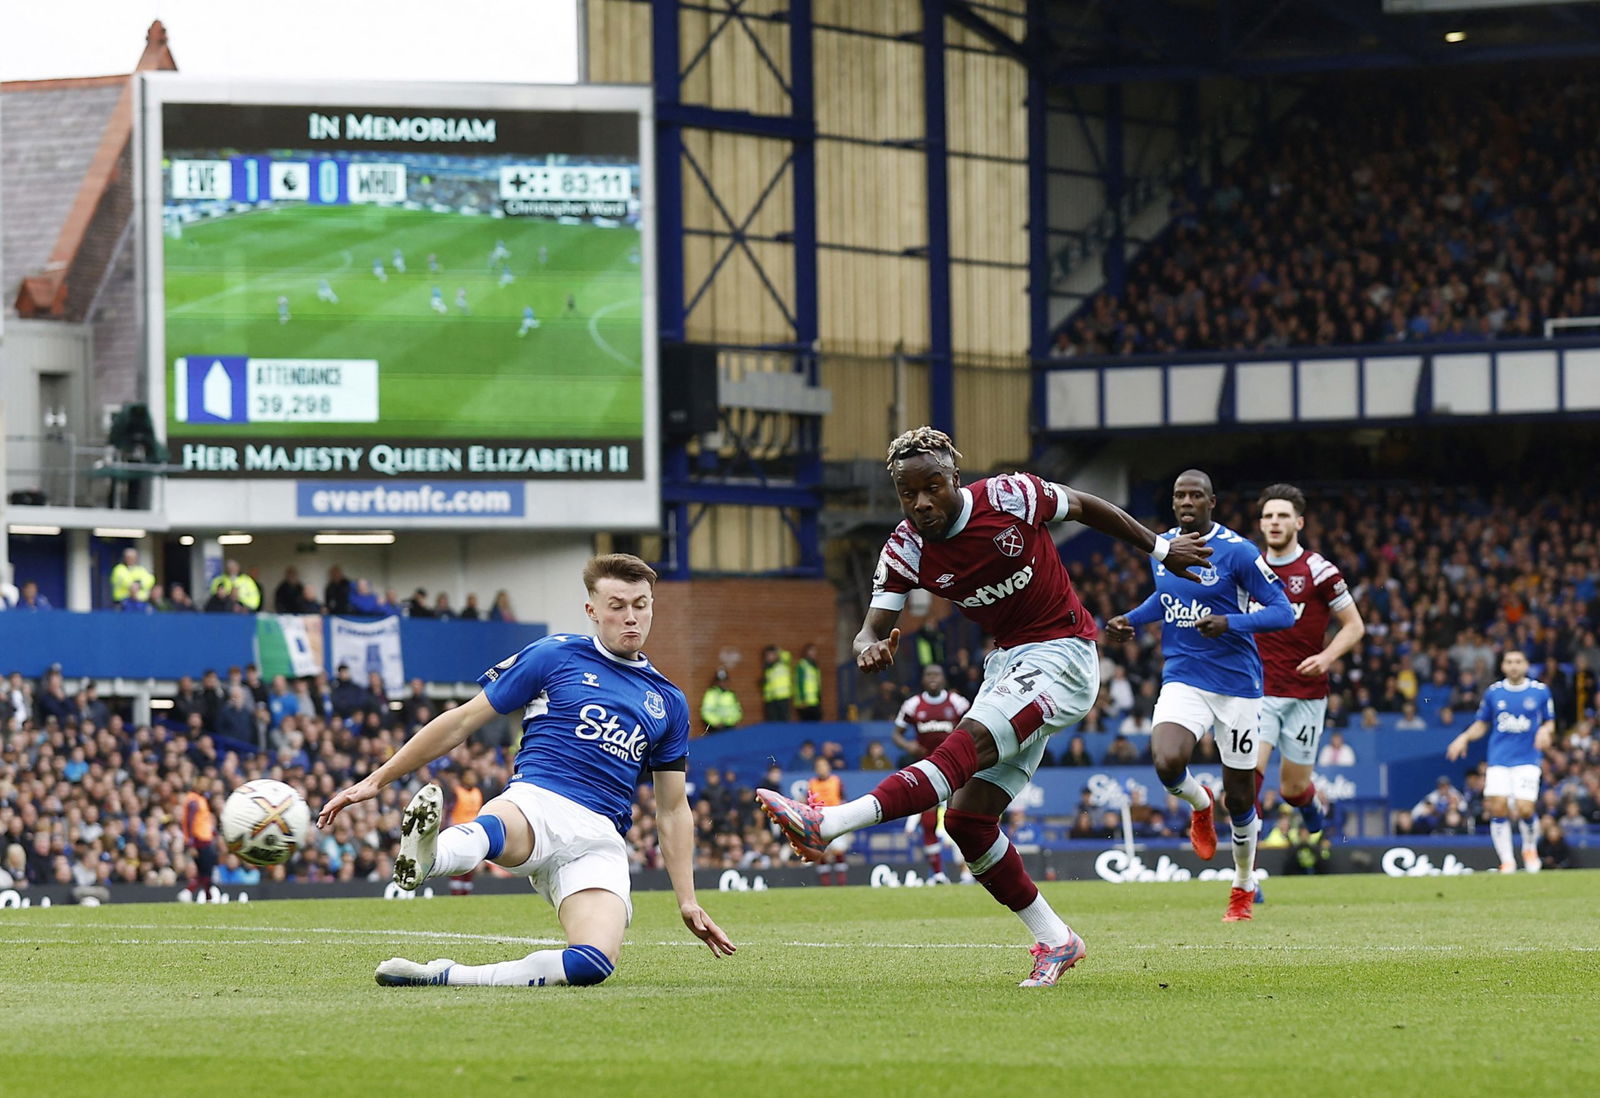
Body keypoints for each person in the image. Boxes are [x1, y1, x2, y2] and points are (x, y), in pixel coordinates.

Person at [756, 427, 1209, 985]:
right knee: (969, 822)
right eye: (908, 493)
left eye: (933, 487)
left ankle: (828, 823)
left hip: (1063, 656)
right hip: (1010, 666)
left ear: (955, 479)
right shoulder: (905, 547)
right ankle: (1057, 940)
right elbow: (872, 626)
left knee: (960, 750)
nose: (922, 502)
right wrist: (868, 646)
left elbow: (1087, 506)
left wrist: (1161, 548)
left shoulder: (1010, 497)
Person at [318, 553, 734, 987]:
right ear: (592, 611)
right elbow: (461, 721)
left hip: (600, 839)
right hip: (539, 801)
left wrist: (687, 900)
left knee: (592, 963)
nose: (631, 617)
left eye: (641, 604)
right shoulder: (554, 655)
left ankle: (446, 976)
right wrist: (375, 780)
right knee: (496, 826)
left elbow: (671, 809)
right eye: (617, 606)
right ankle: (431, 857)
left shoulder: (668, 701)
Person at [1104, 469, 1294, 923]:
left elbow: (1283, 611)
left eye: (1196, 495)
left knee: (1243, 799)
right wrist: (1131, 618)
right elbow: (1166, 599)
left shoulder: (1239, 552)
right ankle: (1200, 804)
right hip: (1184, 676)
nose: (1186, 501)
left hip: (1239, 688)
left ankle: (1243, 884)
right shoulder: (1162, 547)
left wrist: (1231, 623)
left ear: (1213, 502)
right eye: (1179, 495)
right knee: (1167, 761)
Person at [1253, 483, 1366, 838]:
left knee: (1292, 789)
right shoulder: (1249, 568)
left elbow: (1354, 626)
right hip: (1257, 692)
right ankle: (1246, 882)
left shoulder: (1319, 570)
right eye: (1268, 516)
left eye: (1282, 516)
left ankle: (1310, 802)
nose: (1274, 522)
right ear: (1261, 523)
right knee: (1245, 787)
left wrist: (1327, 656)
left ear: (1298, 523)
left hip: (1306, 694)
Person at [1446, 649, 1555, 873]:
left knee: (1525, 809)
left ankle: (1529, 848)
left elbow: (1550, 722)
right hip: (1499, 760)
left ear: (1526, 665)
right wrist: (1464, 736)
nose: (1514, 665)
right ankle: (1507, 861)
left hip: (1527, 759)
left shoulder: (1540, 691)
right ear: (1503, 666)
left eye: (1518, 661)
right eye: (1509, 662)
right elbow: (1482, 724)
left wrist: (1545, 730)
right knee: (1498, 808)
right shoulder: (1494, 693)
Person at [890, 663, 970, 883]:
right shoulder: (913, 704)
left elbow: (974, 728)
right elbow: (896, 734)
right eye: (928, 675)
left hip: (956, 769)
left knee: (960, 819)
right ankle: (937, 874)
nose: (933, 678)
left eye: (937, 674)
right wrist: (909, 747)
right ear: (923, 680)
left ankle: (967, 872)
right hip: (926, 770)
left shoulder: (958, 703)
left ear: (944, 679)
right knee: (927, 822)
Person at [806, 757, 848, 886]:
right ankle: (826, 885)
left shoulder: (836, 781)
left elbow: (843, 799)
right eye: (819, 766)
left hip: (836, 818)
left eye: (824, 765)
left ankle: (842, 883)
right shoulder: (812, 783)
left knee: (839, 850)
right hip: (819, 821)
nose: (821, 769)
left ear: (829, 767)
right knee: (821, 852)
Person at [180, 774, 218, 898]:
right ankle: (189, 891)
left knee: (205, 872)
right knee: (205, 871)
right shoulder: (193, 801)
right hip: (199, 840)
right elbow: (189, 823)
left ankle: (208, 897)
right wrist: (191, 843)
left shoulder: (200, 799)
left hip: (205, 838)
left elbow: (202, 821)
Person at [699, 668, 743, 733]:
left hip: (730, 727)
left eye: (725, 680)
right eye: (720, 681)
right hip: (716, 729)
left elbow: (738, 710)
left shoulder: (731, 694)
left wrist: (734, 720)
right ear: (717, 682)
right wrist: (716, 722)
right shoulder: (711, 694)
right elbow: (706, 712)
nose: (723, 683)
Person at [760, 645, 793, 722]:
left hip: (783, 697)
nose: (769, 657)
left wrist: (778, 650)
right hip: (771, 699)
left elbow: (787, 655)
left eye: (770, 655)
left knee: (784, 720)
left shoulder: (783, 664)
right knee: (772, 721)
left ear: (776, 655)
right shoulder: (768, 668)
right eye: (767, 655)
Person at [795, 643, 823, 721]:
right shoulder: (802, 665)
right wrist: (803, 699)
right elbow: (800, 682)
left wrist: (819, 698)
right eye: (811, 651)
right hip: (805, 702)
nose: (813, 653)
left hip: (814, 700)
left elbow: (817, 684)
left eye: (814, 651)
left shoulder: (815, 666)